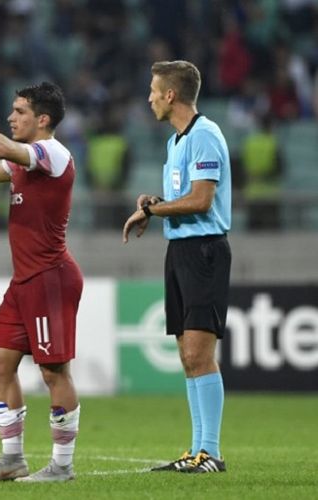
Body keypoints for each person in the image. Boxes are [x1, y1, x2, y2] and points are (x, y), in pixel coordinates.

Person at [0, 75, 83, 483]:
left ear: (42, 119)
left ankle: (61, 466)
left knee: (53, 372)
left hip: (50, 278)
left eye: (20, 112)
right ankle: (12, 459)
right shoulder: (28, 160)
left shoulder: (53, 153)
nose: (11, 117)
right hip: (25, 280)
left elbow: (0, 147)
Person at [122, 60, 231, 474]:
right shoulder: (174, 143)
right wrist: (156, 204)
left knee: (199, 353)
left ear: (171, 95)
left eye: (153, 90)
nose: (149, 97)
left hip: (205, 250)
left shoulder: (205, 135)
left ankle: (211, 452)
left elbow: (202, 200)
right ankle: (197, 450)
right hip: (180, 251)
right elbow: (182, 197)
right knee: (187, 356)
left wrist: (157, 208)